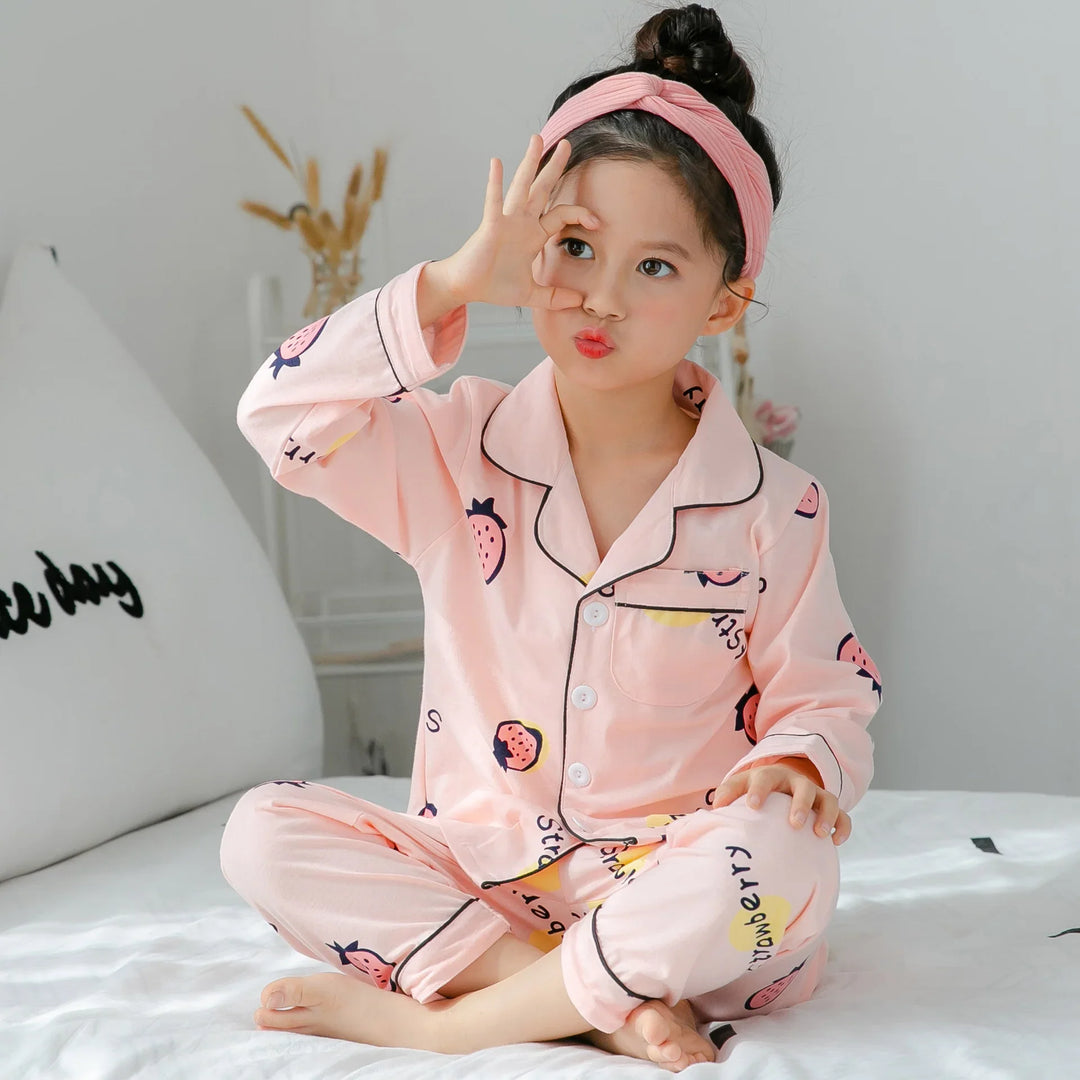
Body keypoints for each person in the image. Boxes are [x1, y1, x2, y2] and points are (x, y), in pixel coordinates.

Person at [220, 3, 881, 1071]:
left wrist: (801, 762)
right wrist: (447, 283)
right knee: (260, 832)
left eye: (656, 267)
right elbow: (277, 420)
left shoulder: (776, 506)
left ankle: (445, 1020)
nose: (601, 297)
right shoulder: (455, 452)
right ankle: (590, 1001)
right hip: (485, 876)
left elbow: (827, 693)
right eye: (573, 246)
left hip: (707, 917)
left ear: (728, 299)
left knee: (781, 871)